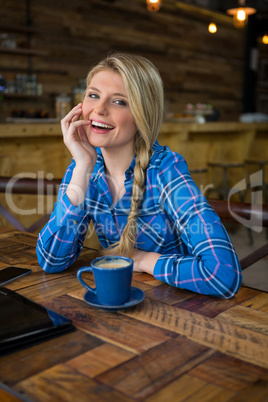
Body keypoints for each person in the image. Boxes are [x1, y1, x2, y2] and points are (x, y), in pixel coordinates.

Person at [36, 52, 242, 298]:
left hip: (179, 309)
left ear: (143, 113)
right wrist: (82, 166)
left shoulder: (165, 170)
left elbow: (222, 275)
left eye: (119, 102)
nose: (99, 109)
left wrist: (144, 260)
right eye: (93, 95)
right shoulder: (85, 165)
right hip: (120, 306)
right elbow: (51, 260)